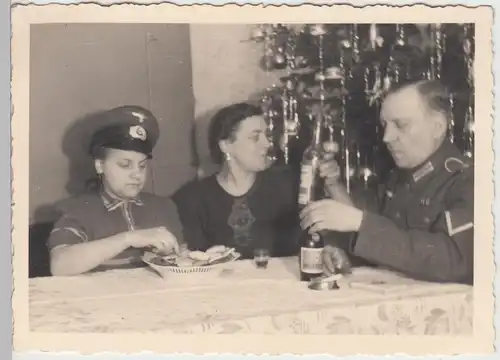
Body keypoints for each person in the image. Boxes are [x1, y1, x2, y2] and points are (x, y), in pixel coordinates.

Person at [300, 80, 474, 284]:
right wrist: (343, 255)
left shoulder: (469, 180)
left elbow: (457, 261)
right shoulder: (398, 178)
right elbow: (382, 241)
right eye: (385, 125)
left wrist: (360, 223)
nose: (387, 137)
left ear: (438, 127)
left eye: (401, 125)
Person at [172, 103, 338, 260]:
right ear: (225, 146)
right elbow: (191, 261)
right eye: (254, 137)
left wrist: (333, 182)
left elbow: (345, 231)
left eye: (266, 136)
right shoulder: (191, 198)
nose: (266, 144)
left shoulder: (290, 183)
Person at [47, 106, 182, 276]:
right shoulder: (76, 210)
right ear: (100, 165)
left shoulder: (163, 207)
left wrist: (210, 258)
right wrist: (128, 238)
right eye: (125, 165)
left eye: (142, 165)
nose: (136, 174)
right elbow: (59, 266)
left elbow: (181, 260)